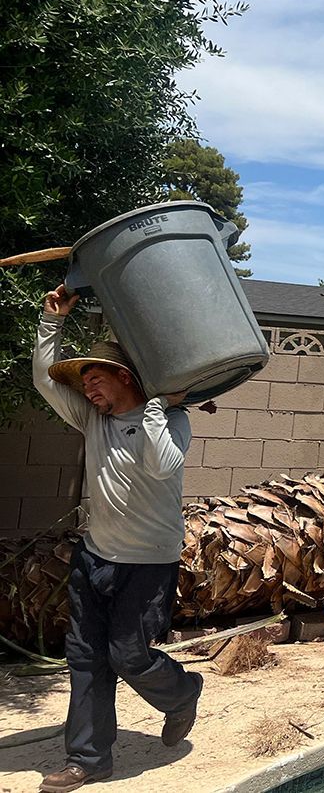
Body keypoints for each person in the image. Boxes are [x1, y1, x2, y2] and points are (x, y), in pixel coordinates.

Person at [32, 284, 202, 792]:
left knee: (128, 654)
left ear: (124, 377)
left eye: (97, 380)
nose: (88, 392)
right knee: (84, 656)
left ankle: (181, 693)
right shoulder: (90, 417)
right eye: (85, 384)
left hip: (147, 563)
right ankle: (88, 759)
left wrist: (154, 407)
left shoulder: (173, 421)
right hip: (94, 556)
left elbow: (161, 466)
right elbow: (45, 381)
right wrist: (51, 324)